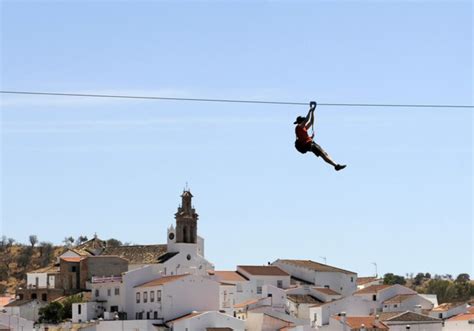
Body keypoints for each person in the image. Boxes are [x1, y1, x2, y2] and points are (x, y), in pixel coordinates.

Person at [294, 102, 346, 171]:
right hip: (309, 145)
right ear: (301, 122)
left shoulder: (303, 128)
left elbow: (311, 121)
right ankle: (336, 166)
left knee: (324, 153)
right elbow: (307, 120)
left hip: (310, 143)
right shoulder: (298, 127)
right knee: (322, 155)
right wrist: (310, 110)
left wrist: (313, 111)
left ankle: (336, 165)